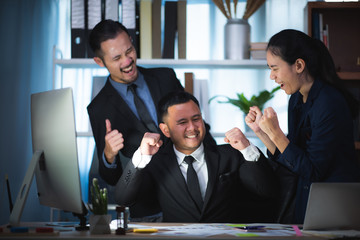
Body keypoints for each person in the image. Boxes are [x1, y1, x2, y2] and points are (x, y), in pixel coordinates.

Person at [87, 20, 216, 221]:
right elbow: (111, 178)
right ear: (100, 62)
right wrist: (109, 155)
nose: (127, 61)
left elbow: (197, 126)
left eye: (129, 51)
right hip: (148, 210)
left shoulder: (165, 77)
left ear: (131, 41)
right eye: (116, 58)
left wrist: (216, 175)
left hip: (195, 199)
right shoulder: (98, 109)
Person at [245, 29, 360, 224]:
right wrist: (262, 133)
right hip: (306, 204)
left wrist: (276, 133)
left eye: (275, 68)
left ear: (298, 65)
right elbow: (293, 160)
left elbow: (313, 171)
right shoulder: (296, 99)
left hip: (334, 210)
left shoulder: (329, 103)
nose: (272, 76)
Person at [115, 91, 278, 223]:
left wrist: (247, 147)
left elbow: (267, 191)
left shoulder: (231, 154)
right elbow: (123, 199)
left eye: (196, 119)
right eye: (182, 122)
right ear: (165, 130)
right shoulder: (156, 162)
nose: (192, 128)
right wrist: (141, 157)